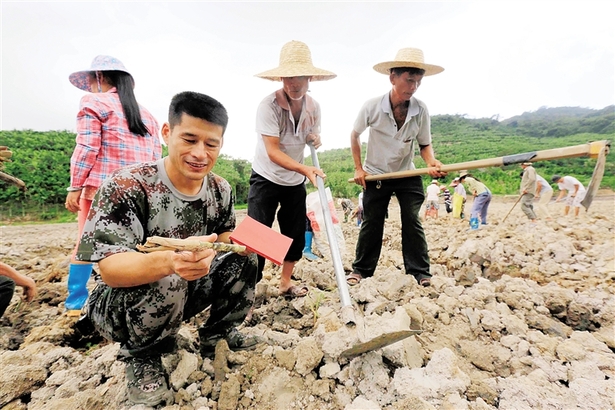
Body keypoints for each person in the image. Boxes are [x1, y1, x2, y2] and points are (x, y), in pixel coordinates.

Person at [76, 92, 259, 407]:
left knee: (247, 255)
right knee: (168, 273)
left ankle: (218, 335)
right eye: (189, 139)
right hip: (119, 305)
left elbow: (227, 233)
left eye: (211, 144)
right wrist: (170, 261)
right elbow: (110, 269)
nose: (200, 153)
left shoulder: (220, 189)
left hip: (182, 290)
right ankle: (142, 357)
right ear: (166, 133)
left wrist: (246, 242)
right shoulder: (127, 186)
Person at [64, 55, 162, 313]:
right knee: (133, 245)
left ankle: (76, 301)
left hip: (101, 190)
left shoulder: (93, 102)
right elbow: (155, 160)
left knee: (86, 244)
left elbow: (86, 147)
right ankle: (134, 297)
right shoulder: (148, 116)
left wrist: (75, 186)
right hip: (139, 193)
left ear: (99, 77)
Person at [348, 47, 446, 288]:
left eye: (418, 82)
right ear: (393, 78)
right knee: (372, 221)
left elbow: (424, 144)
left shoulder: (420, 109)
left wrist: (431, 163)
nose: (413, 87)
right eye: (409, 80)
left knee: (412, 219)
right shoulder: (372, 106)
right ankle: (361, 270)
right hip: (376, 173)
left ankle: (420, 272)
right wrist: (359, 168)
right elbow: (355, 135)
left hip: (407, 172)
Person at [247, 40, 334, 298]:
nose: (293, 84)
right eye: (288, 78)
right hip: (266, 176)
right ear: (281, 78)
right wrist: (304, 168)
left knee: (295, 234)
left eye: (299, 78)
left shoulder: (314, 108)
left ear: (310, 79)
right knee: (257, 234)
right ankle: (248, 293)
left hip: (295, 181)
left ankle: (285, 283)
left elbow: (312, 135)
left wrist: (316, 139)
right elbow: (272, 151)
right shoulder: (268, 106)